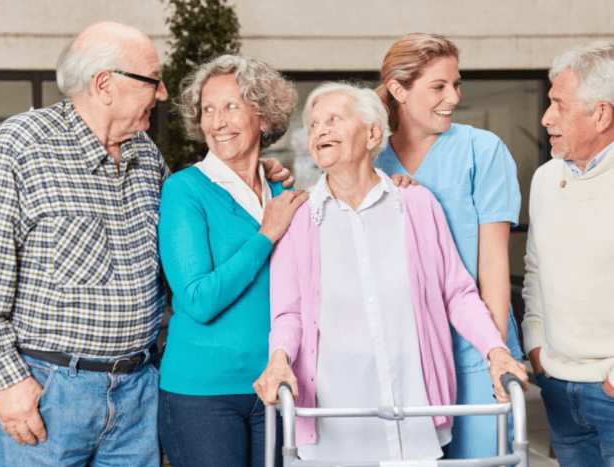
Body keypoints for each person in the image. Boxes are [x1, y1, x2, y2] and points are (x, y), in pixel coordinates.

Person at [0, 23, 291, 467]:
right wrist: (9, 382)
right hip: (50, 390)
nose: (163, 94)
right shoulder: (21, 145)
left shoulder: (147, 158)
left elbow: (190, 251)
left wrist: (258, 175)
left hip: (137, 396)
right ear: (105, 85)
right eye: (153, 80)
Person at [253, 82, 528, 463]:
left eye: (334, 119)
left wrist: (495, 352)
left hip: (413, 412)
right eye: (314, 125)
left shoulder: (416, 205)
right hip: (332, 419)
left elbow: (457, 293)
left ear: (372, 134)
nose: (320, 131)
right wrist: (279, 358)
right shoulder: (298, 219)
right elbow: (289, 313)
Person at [372, 33, 524, 459]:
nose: (453, 97)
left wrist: (493, 353)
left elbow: (493, 264)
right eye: (438, 87)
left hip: (475, 347)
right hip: (409, 349)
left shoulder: (483, 150)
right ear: (399, 90)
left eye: (456, 84)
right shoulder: (373, 162)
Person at [157, 55, 307, 467]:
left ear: (263, 113)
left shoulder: (281, 187)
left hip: (277, 386)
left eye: (231, 106)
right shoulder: (185, 189)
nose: (217, 121)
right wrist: (265, 236)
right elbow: (197, 299)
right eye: (208, 109)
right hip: (202, 393)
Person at [522, 41, 614, 467]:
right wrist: (536, 345)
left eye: (559, 104)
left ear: (601, 113)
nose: (546, 118)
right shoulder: (545, 179)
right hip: (558, 386)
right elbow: (535, 270)